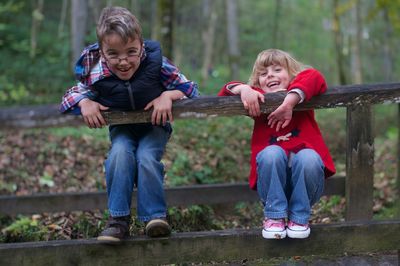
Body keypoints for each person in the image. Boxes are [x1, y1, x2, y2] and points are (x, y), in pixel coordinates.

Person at [60, 6, 199, 242]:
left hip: (155, 126)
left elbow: (190, 89)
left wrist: (169, 96)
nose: (123, 61)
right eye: (113, 54)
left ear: (142, 47)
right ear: (102, 52)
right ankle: (118, 221)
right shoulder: (96, 71)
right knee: (119, 155)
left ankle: (155, 217)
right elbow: (69, 96)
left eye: (131, 52)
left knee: (146, 157)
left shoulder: (158, 64)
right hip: (122, 129)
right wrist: (84, 102)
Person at [218, 49, 335, 239]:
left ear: (292, 75)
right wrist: (244, 89)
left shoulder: (302, 92)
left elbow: (314, 76)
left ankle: (299, 217)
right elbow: (224, 93)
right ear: (258, 83)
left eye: (277, 70)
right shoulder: (258, 98)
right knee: (271, 152)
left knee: (308, 156)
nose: (270, 75)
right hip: (271, 186)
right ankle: (274, 217)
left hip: (307, 183)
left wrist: (289, 102)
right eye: (263, 74)